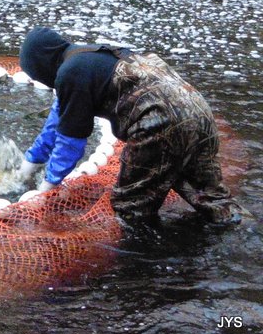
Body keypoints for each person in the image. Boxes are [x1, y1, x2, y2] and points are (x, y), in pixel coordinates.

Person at [16, 26, 244, 224]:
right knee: (210, 197)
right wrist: (29, 164)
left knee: (130, 208)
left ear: (41, 66)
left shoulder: (70, 73)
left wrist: (46, 189)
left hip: (161, 123)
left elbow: (70, 142)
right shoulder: (84, 57)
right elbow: (57, 122)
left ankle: (146, 269)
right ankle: (238, 238)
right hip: (198, 111)